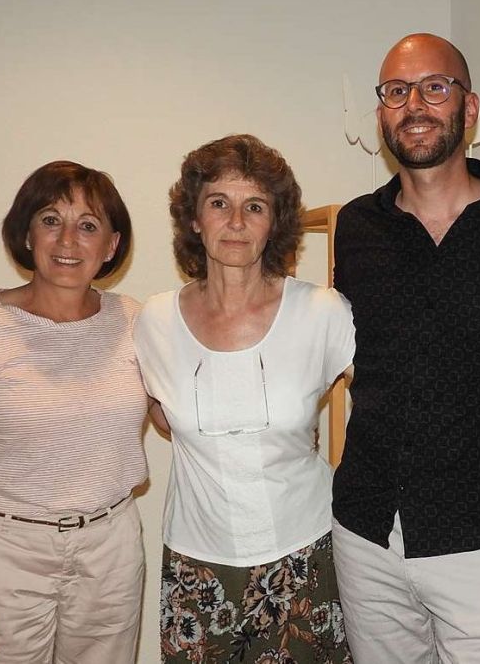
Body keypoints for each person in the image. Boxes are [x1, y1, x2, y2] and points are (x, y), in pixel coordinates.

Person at [330, 32, 480, 662]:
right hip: (367, 532)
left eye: (435, 87)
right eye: (397, 91)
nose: (414, 104)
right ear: (382, 111)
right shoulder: (356, 227)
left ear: (469, 107)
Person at [133, 134, 354, 663]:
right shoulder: (154, 321)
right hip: (197, 567)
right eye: (218, 203)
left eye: (254, 206)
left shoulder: (322, 312)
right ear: (194, 219)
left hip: (308, 553)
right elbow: (161, 417)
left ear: (274, 223)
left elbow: (397, 392)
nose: (235, 221)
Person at [0, 161, 146, 664]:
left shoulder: (136, 322)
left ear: (111, 246)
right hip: (4, 554)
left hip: (111, 551)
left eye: (88, 225)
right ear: (26, 233)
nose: (68, 240)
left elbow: (179, 412)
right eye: (50, 220)